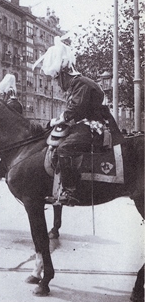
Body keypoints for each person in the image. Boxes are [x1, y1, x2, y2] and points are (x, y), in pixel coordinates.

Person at [34, 36, 123, 206]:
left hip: (93, 127)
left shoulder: (81, 83)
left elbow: (74, 110)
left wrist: (54, 120)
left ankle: (70, 190)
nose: (57, 84)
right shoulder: (78, 84)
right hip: (86, 125)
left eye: (56, 78)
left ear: (63, 74)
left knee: (64, 148)